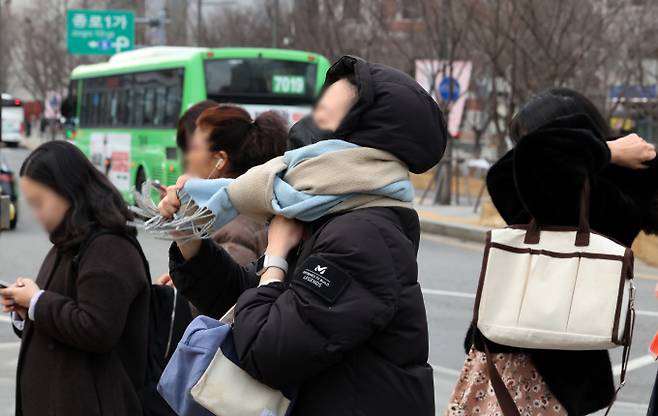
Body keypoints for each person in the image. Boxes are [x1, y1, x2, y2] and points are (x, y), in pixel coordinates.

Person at [159, 55, 447, 415]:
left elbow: (267, 350)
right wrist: (189, 235)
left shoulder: (364, 236)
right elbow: (240, 299)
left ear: (355, 138)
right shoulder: (329, 216)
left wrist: (276, 259)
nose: (308, 121)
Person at [449, 88, 658, 416]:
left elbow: (534, 158)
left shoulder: (607, 195)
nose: (521, 155)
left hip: (536, 366)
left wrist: (602, 151)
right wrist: (607, 149)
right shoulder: (536, 185)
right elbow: (511, 170)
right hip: (513, 356)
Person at [0, 141, 150, 416]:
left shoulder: (109, 248)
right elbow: (61, 318)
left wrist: (37, 302)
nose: (35, 213)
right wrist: (28, 310)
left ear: (67, 192)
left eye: (39, 202)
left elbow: (96, 328)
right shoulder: (69, 241)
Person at [158, 103, 288, 289]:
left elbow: (222, 303)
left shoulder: (232, 226)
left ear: (220, 160)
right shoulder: (251, 206)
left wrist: (178, 293)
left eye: (194, 148)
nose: (187, 157)